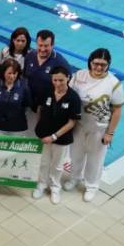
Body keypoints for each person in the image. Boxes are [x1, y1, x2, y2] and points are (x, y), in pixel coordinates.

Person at [64, 48, 124, 202]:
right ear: (90, 62)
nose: (99, 67)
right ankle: (75, 178)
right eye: (96, 63)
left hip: (99, 129)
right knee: (75, 155)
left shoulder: (114, 84)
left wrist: (110, 133)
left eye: (103, 65)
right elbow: (68, 95)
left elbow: (117, 110)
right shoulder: (79, 76)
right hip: (78, 126)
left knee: (95, 160)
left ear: (108, 65)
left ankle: (91, 186)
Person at [32, 66, 81, 204]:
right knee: (44, 162)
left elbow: (72, 122)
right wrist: (39, 126)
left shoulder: (73, 98)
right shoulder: (47, 90)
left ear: (68, 78)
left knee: (57, 165)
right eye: (55, 80)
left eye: (61, 80)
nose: (58, 83)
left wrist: (54, 136)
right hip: (44, 134)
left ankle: (55, 187)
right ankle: (41, 184)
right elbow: (40, 109)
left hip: (61, 138)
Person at [23, 29, 70, 133]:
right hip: (30, 105)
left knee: (42, 134)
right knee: (28, 132)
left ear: (52, 45)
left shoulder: (60, 62)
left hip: (48, 109)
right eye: (40, 45)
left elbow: (67, 87)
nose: (42, 49)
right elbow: (24, 77)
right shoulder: (30, 56)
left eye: (46, 46)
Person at [0, 59, 32, 136]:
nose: (12, 76)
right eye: (9, 73)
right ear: (3, 72)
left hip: (17, 127)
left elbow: (27, 105)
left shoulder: (24, 87)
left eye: (14, 73)